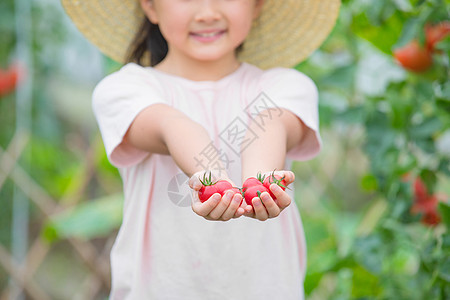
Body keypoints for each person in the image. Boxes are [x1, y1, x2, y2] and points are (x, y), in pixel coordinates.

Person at [61, 0, 340, 299]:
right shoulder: (126, 90)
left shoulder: (287, 86)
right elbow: (173, 126)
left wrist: (260, 182)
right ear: (150, 7)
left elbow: (270, 125)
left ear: (257, 5)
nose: (208, 13)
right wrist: (213, 178)